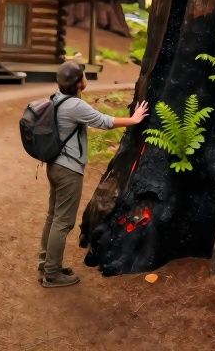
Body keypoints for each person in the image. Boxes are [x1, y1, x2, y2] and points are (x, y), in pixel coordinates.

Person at [39, 61, 148, 288]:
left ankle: (46, 262)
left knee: (53, 216)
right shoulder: (74, 105)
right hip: (68, 170)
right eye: (83, 75)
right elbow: (104, 121)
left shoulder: (57, 97)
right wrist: (134, 119)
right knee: (63, 222)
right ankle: (52, 273)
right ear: (80, 83)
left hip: (54, 165)